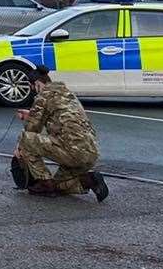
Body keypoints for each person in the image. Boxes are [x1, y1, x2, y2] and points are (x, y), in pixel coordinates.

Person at [14, 65, 109, 201]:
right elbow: (60, 118)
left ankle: (44, 183)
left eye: (32, 87)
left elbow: (32, 129)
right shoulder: (67, 94)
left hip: (72, 152)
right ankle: (89, 180)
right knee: (58, 186)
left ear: (37, 84)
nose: (33, 91)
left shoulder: (43, 95)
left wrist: (18, 149)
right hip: (90, 153)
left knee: (25, 139)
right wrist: (31, 114)